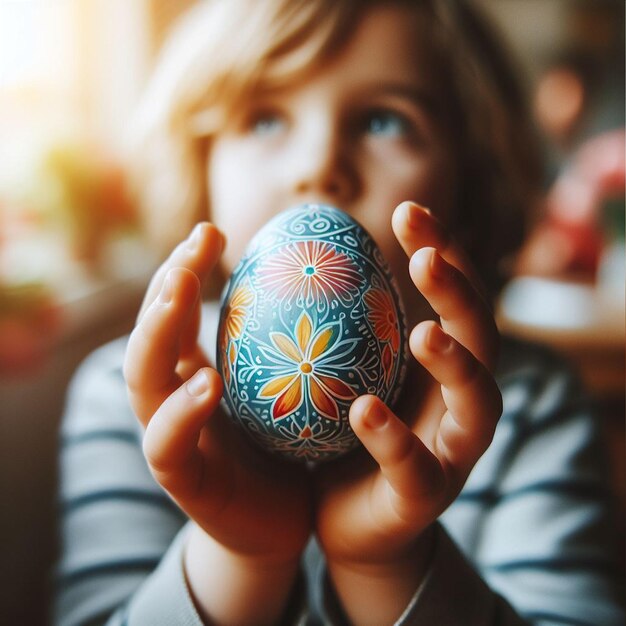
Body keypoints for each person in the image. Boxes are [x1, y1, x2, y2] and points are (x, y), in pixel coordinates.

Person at [53, 1, 624, 624]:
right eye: (264, 119)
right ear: (201, 163)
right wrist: (240, 557)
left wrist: (387, 562)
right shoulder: (137, 403)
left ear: (471, 178)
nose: (317, 165)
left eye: (383, 121)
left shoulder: (528, 405)